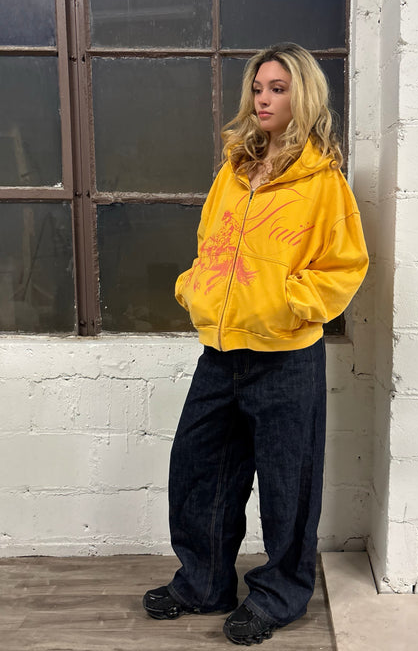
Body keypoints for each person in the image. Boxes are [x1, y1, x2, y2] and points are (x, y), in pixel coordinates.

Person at [143, 43, 368, 645]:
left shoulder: (323, 182)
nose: (263, 99)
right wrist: (196, 287)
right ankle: (203, 583)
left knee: (288, 487)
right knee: (199, 471)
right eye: (258, 88)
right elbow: (208, 242)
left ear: (304, 96)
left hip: (286, 357)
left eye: (278, 89)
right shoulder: (234, 169)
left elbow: (345, 266)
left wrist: (288, 302)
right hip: (220, 352)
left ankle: (279, 596)